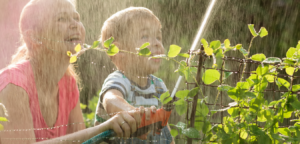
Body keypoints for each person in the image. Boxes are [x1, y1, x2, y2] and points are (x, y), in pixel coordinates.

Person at [0, 0, 144, 143]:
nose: (75, 24)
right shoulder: (13, 85)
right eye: (61, 19)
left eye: (76, 18)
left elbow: (81, 141)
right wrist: (103, 128)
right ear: (34, 37)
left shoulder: (67, 84)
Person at [94, 7, 175, 144]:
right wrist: (132, 113)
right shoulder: (119, 80)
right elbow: (111, 100)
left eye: (158, 37)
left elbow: (164, 126)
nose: (156, 43)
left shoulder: (159, 85)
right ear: (119, 51)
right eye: (144, 36)